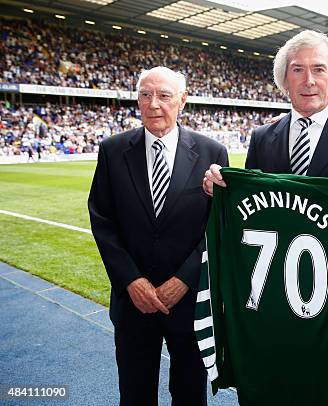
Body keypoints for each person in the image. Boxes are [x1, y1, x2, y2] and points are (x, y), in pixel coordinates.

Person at [203, 28, 328, 376]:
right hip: (272, 303)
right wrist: (222, 192)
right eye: (297, 69)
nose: (309, 80)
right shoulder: (262, 138)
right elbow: (250, 215)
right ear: (284, 81)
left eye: (319, 69)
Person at [88, 66, 228, 405]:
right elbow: (102, 220)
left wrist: (184, 279)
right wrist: (132, 281)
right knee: (135, 394)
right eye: (145, 95)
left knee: (190, 394)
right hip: (133, 302)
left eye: (164, 96)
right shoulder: (112, 150)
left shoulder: (213, 153)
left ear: (182, 101)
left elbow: (219, 225)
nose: (153, 104)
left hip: (190, 302)